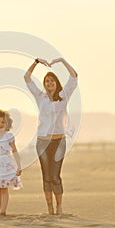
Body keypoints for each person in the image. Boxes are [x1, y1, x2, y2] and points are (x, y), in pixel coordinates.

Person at [24, 57, 78, 215]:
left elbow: (74, 76)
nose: (49, 83)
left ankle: (59, 207)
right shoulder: (40, 97)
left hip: (59, 141)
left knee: (55, 176)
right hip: (42, 142)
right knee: (46, 176)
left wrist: (61, 61)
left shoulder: (64, 95)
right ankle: (49, 208)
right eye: (47, 81)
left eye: (52, 81)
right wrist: (36, 62)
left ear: (56, 83)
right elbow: (26, 78)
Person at [0, 110, 23, 216]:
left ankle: (3, 211)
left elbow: (14, 150)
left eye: (2, 122)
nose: (0, 124)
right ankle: (1, 209)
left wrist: (19, 165)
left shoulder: (9, 136)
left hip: (5, 165)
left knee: (4, 188)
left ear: (7, 123)